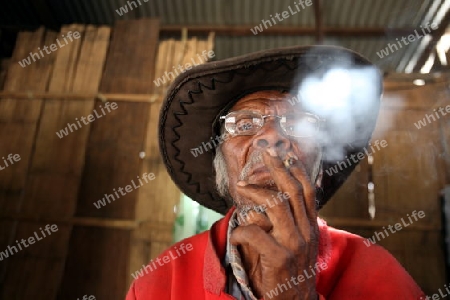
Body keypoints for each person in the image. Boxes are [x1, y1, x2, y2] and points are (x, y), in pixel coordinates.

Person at [126, 45, 425, 299]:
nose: (271, 136)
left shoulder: (379, 274)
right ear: (222, 172)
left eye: (296, 125)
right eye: (244, 125)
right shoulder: (161, 281)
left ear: (318, 172)